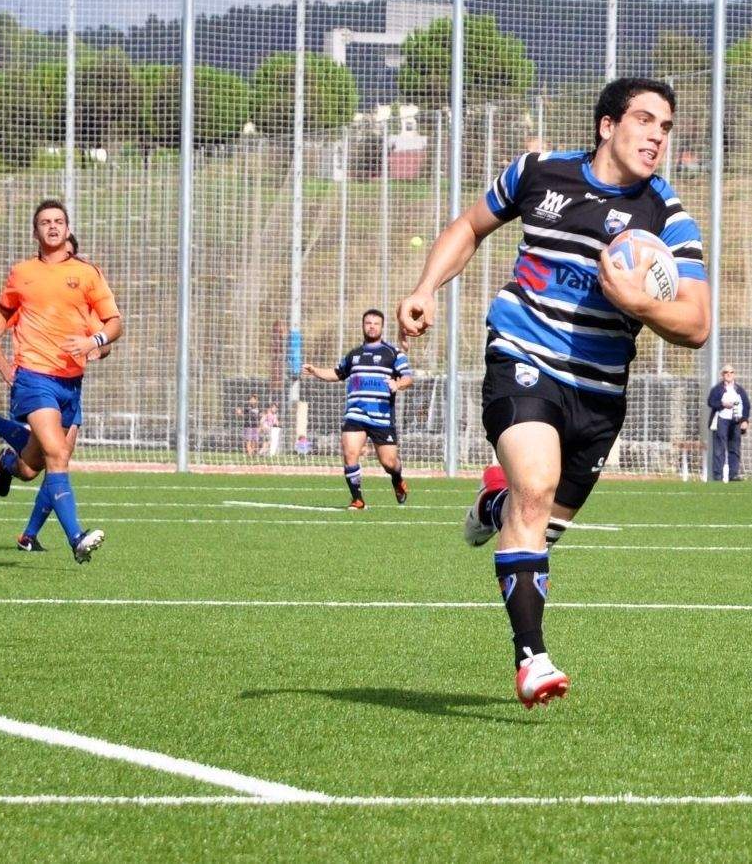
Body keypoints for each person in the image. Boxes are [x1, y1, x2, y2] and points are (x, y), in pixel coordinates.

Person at [398, 77, 710, 709]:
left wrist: (642, 304)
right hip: (523, 354)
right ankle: (531, 658)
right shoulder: (538, 173)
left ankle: (494, 505)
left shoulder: (668, 219)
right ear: (607, 125)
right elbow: (470, 226)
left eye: (666, 127)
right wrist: (426, 287)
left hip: (599, 392)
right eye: (645, 120)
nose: (656, 136)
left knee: (538, 523)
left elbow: (697, 323)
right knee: (535, 490)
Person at [0, 200, 121, 561]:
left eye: (59, 221)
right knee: (58, 454)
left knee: (32, 467)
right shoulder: (22, 272)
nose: (53, 226)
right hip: (33, 376)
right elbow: (4, 309)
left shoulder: (87, 274)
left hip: (70, 384)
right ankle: (76, 537)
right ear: (36, 232)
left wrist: (94, 343)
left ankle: (6, 461)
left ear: (68, 228)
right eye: (45, 222)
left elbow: (113, 324)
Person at [302, 309, 414, 509]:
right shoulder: (354, 355)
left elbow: (408, 378)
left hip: (381, 417)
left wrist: (398, 384)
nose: (372, 326)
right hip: (355, 414)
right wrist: (315, 371)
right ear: (363, 326)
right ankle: (357, 499)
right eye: (368, 323)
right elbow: (337, 373)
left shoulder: (393, 353)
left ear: (382, 327)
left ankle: (397, 480)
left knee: (389, 463)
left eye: (376, 323)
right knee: (350, 454)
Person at [705, 365, 751, 482]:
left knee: (734, 448)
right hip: (721, 419)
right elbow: (711, 402)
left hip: (736, 421)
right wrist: (722, 404)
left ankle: (733, 475)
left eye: (731, 372)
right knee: (719, 449)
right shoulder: (717, 389)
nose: (729, 374)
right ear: (722, 375)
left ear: (734, 374)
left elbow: (746, 405)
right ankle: (718, 476)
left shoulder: (739, 390)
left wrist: (744, 420)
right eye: (726, 372)